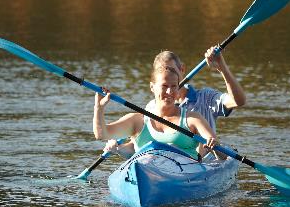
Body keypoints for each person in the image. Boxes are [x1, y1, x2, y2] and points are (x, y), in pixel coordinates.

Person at [102, 46, 246, 157]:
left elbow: (238, 101)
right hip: (165, 164)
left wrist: (222, 68)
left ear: (182, 69)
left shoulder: (206, 97)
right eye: (161, 72)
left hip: (204, 161)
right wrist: (117, 148)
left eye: (171, 70)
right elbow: (137, 144)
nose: (167, 74)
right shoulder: (152, 106)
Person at [93, 64, 219, 161]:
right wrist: (99, 108)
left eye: (174, 86)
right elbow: (101, 134)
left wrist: (213, 145)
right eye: (164, 86)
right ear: (152, 87)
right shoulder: (137, 121)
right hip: (146, 170)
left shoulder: (192, 119)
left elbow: (222, 155)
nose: (169, 91)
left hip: (185, 174)